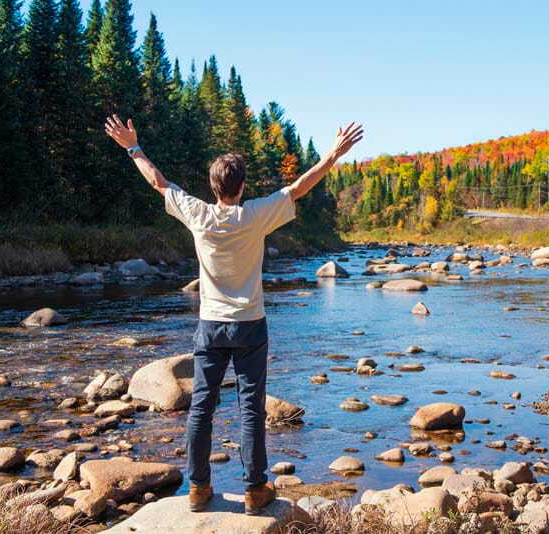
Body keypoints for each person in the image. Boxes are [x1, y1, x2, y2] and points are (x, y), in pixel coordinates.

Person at [105, 115, 363, 514]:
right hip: (250, 326)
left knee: (201, 406)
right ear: (241, 186)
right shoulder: (255, 214)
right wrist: (334, 153)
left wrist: (132, 147)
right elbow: (299, 187)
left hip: (210, 326)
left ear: (212, 187)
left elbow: (157, 181)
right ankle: (254, 490)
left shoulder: (197, 213)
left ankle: (198, 487)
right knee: (250, 407)